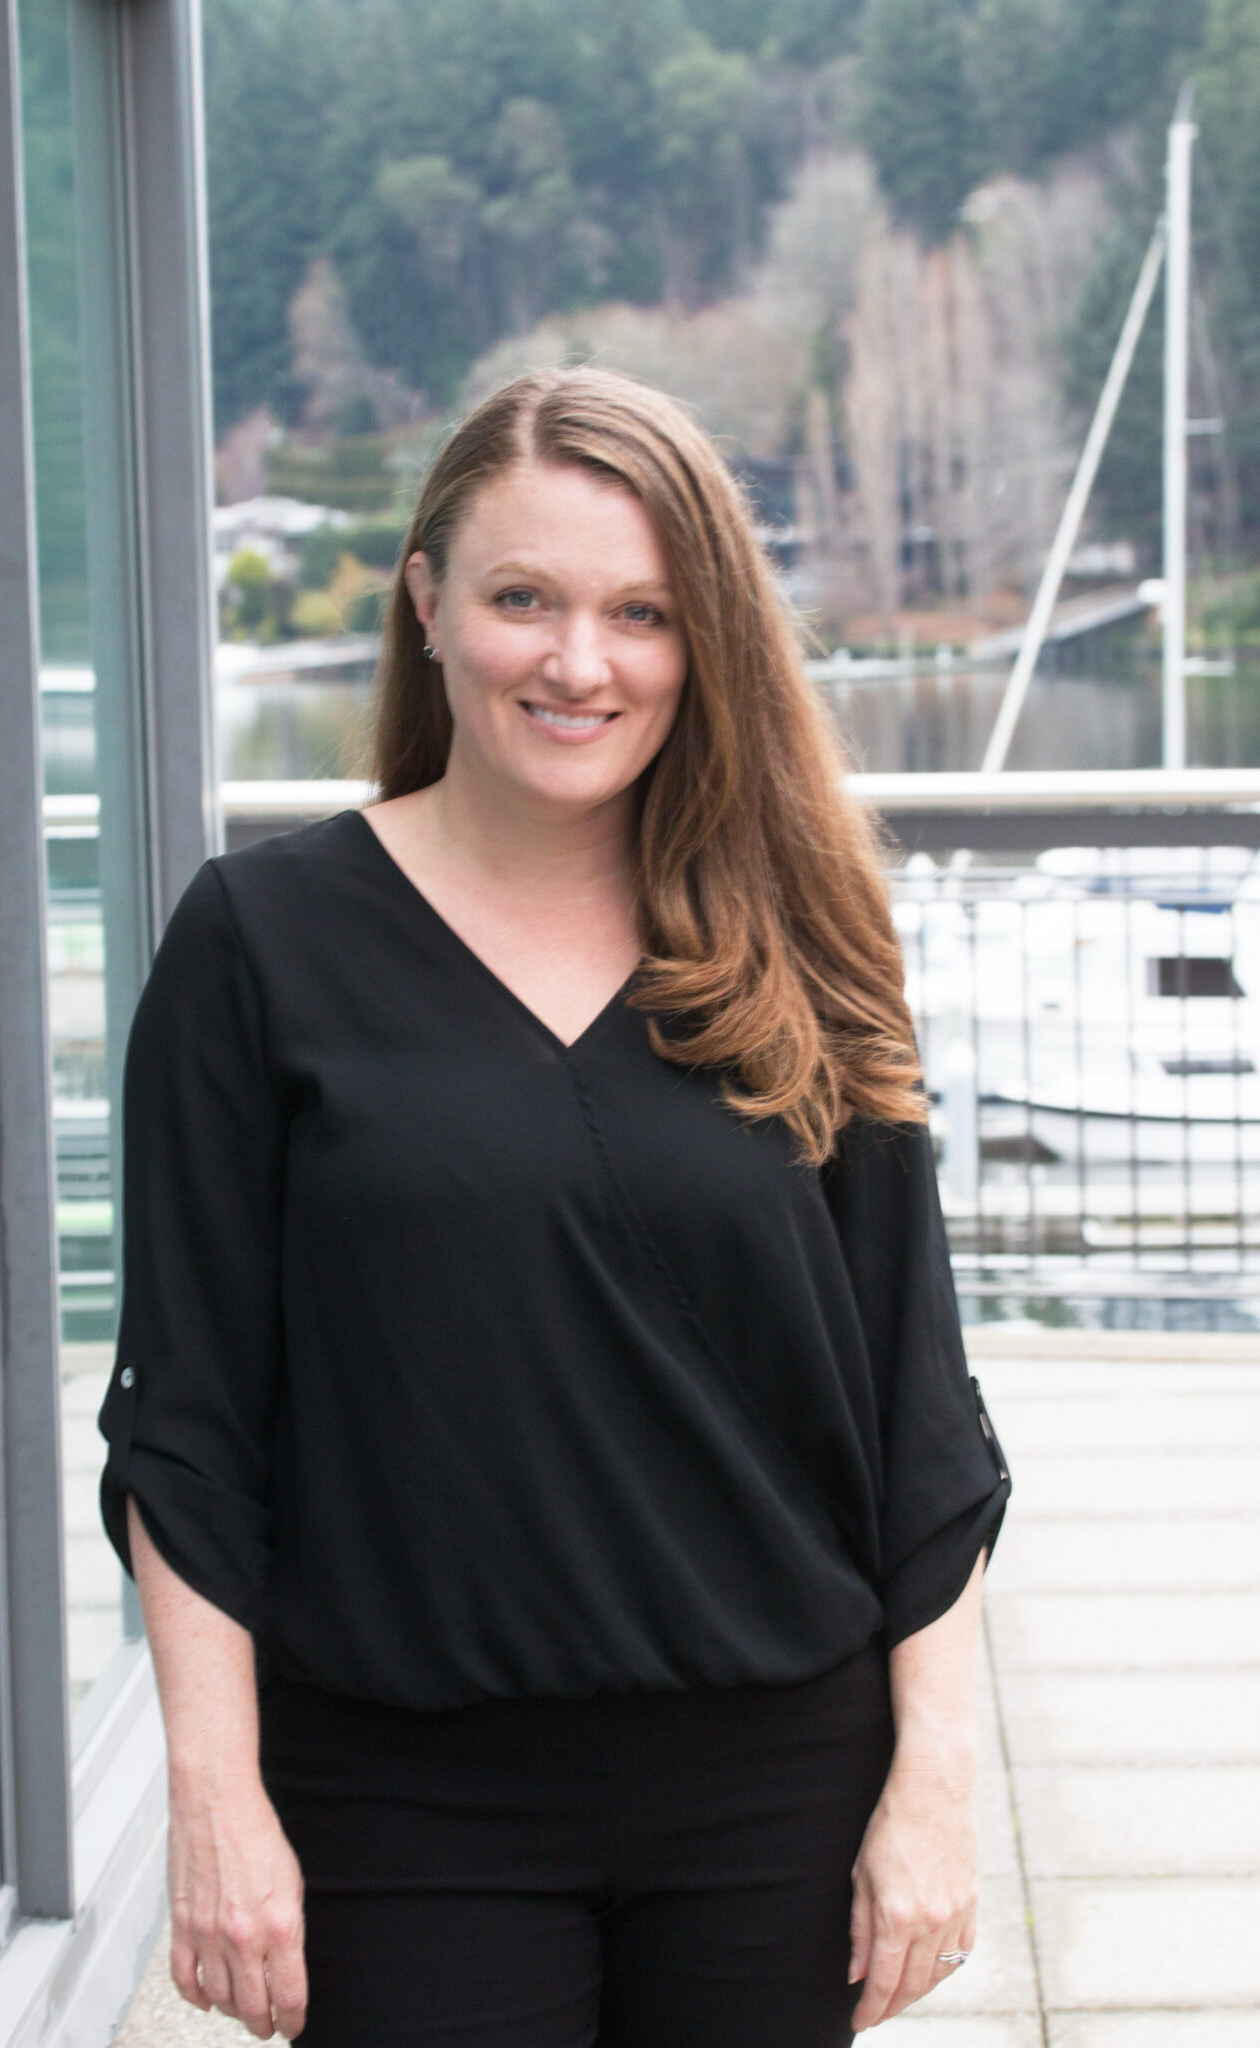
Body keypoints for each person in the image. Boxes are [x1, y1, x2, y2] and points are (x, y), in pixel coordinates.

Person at [99, 366, 1009, 2048]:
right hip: (399, 1798)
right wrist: (214, 1801)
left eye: (639, 613)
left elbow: (919, 1411)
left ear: (703, 640)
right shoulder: (258, 946)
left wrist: (933, 1792)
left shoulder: (802, 942)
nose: (578, 663)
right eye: (524, 597)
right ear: (427, 601)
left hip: (772, 1793)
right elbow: (189, 1426)